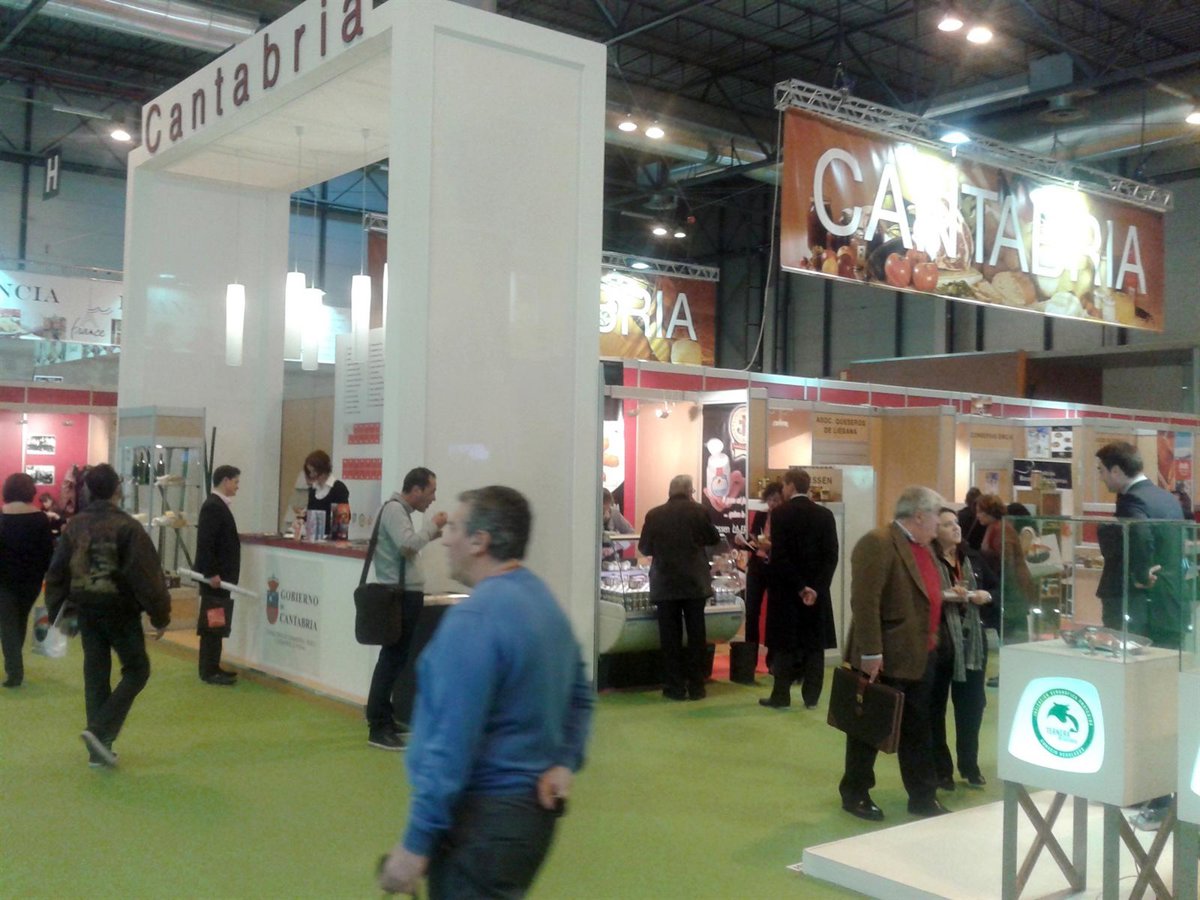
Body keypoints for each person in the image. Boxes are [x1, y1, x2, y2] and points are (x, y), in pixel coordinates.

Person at [377, 486, 593, 898]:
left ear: (480, 541)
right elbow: (581, 696)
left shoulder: (473, 621)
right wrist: (565, 761)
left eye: (455, 528)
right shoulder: (542, 600)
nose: (445, 538)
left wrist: (416, 844)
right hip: (529, 824)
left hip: (481, 825)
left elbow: (450, 743)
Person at [44, 464, 171, 767]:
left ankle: (98, 752)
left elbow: (58, 572)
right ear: (117, 489)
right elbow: (147, 576)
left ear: (87, 490)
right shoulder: (128, 527)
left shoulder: (75, 525)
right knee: (137, 670)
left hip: (85, 609)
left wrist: (59, 614)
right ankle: (100, 731)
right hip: (120, 611)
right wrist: (160, 615)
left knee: (95, 675)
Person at [839, 485, 948, 821]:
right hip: (886, 655)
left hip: (921, 653)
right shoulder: (878, 542)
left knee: (919, 728)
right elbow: (865, 601)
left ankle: (922, 796)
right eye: (937, 516)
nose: (940, 523)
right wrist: (871, 652)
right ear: (919, 515)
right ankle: (855, 793)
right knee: (869, 728)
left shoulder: (925, 547)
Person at [1094, 441, 1186, 832]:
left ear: (1117, 470)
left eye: (1102, 470)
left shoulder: (1132, 502)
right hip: (1169, 611)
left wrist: (1139, 573)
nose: (1101, 478)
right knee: (1162, 705)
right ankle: (1157, 789)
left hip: (1138, 613)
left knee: (1136, 703)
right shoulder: (1168, 499)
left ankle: (1150, 792)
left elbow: (1141, 539)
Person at [365, 466, 447, 750]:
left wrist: (429, 533)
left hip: (403, 595)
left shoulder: (398, 511)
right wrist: (432, 527)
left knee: (394, 659)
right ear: (416, 490)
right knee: (391, 660)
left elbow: (406, 545)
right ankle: (378, 726)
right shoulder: (395, 511)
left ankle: (383, 718)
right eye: (431, 491)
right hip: (400, 596)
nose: (433, 498)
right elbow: (407, 545)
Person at [760, 468, 839, 710]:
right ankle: (812, 697)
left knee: (784, 644)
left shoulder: (780, 514)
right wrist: (815, 588)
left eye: (784, 485)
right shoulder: (825, 515)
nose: (783, 490)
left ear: (791, 486)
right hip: (816, 593)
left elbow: (781, 556)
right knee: (814, 646)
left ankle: (781, 696)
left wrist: (799, 586)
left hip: (787, 591)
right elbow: (831, 556)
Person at [638, 474, 720, 701]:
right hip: (694, 583)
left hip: (665, 583)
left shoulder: (654, 514)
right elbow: (713, 538)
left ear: (669, 491)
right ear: (690, 491)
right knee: (696, 636)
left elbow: (644, 548)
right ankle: (697, 687)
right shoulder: (699, 511)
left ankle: (674, 687)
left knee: (670, 638)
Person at [930, 508, 991, 789]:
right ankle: (941, 770)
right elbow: (921, 596)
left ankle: (969, 765)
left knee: (972, 707)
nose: (955, 527)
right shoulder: (928, 561)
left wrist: (985, 595)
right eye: (946, 524)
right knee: (935, 709)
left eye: (956, 522)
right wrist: (945, 596)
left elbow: (995, 589)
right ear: (935, 531)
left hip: (972, 644)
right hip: (941, 643)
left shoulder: (972, 558)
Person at [0, 474, 56, 687]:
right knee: (19, 620)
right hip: (31, 581)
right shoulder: (40, 519)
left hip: (4, 580)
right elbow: (47, 553)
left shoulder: (2, 517)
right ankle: (15, 665)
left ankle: (14, 670)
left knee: (7, 624)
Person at [194, 465, 241, 685]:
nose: (237, 486)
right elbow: (206, 542)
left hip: (220, 578)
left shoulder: (217, 505)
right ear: (225, 481)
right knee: (212, 624)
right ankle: (209, 669)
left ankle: (213, 665)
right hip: (215, 579)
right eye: (236, 482)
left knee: (217, 623)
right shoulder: (213, 507)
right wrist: (211, 572)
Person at [976, 493, 1036, 643]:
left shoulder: (1001, 529)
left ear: (990, 511)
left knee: (1013, 637)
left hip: (1011, 590)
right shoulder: (996, 527)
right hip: (1008, 588)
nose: (977, 516)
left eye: (980, 512)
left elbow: (1007, 564)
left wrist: (1003, 591)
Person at [736, 481, 782, 649]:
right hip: (757, 566)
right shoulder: (761, 516)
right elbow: (753, 537)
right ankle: (750, 652)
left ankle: (773, 653)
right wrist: (744, 543)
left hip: (775, 567)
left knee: (774, 612)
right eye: (770, 499)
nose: (772, 503)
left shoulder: (785, 519)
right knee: (752, 610)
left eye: (776, 500)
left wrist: (771, 546)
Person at [302, 450, 349, 538]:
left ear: (323, 470)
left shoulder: (339, 488)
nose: (311, 475)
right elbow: (310, 513)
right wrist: (302, 520)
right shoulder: (313, 490)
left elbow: (342, 521)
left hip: (333, 539)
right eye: (310, 472)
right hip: (313, 538)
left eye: (314, 471)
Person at [600, 488, 634, 561]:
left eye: (607, 505)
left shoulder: (614, 513)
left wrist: (614, 548)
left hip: (610, 559)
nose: (606, 509)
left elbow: (632, 535)